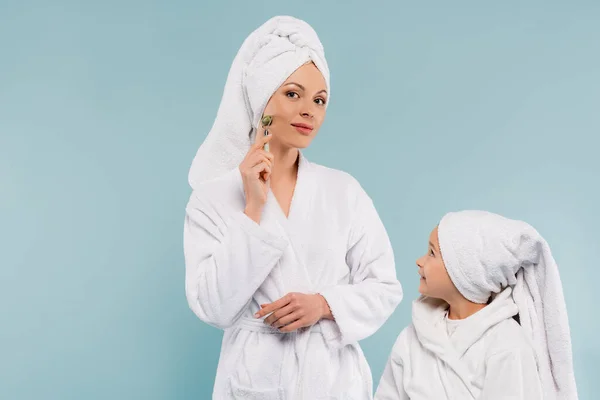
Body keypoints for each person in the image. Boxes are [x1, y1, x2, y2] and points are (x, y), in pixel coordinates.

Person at [184, 16, 403, 399]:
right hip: (253, 381)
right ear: (262, 97)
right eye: (292, 94)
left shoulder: (343, 191)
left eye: (319, 100)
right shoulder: (212, 198)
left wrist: (324, 305)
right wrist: (253, 208)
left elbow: (385, 287)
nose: (310, 111)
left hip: (332, 381)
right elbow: (213, 307)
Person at [374, 210, 578, 400]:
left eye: (432, 253)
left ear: (465, 271)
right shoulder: (412, 338)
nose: (420, 261)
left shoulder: (507, 346)